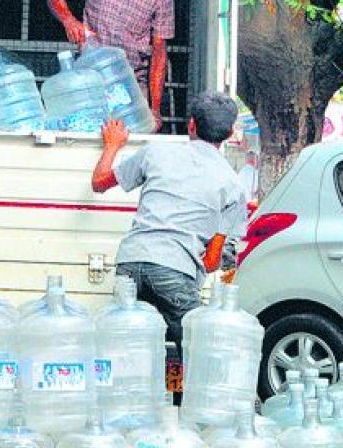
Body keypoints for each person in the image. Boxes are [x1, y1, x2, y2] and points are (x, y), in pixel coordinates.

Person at [91, 92, 248, 355]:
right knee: (197, 354)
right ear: (231, 132)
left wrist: (113, 145)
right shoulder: (232, 186)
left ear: (191, 125)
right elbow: (211, 262)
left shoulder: (156, 151)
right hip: (176, 273)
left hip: (130, 263)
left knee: (125, 352)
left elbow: (99, 182)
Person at [47, 0, 174, 132]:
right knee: (86, 139)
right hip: (91, 82)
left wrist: (155, 109)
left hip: (131, 84)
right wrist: (68, 19)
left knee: (134, 143)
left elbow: (159, 51)